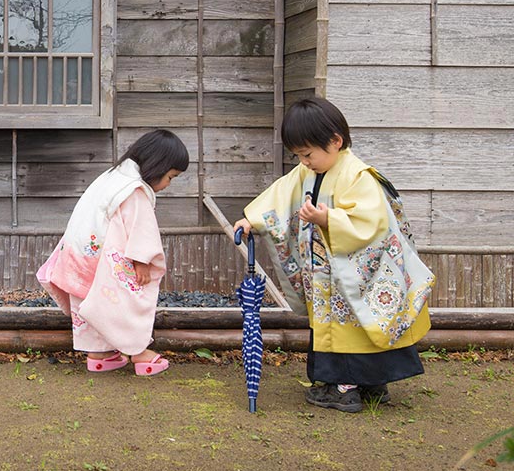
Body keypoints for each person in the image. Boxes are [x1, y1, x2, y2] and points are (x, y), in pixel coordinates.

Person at [234, 97, 435, 413]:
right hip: (325, 275)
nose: (304, 162)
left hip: (351, 277)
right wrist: (252, 219)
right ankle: (366, 384)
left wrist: (328, 219)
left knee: (353, 323)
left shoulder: (358, 175)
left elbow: (371, 221)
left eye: (308, 153)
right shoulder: (308, 172)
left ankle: (345, 386)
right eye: (298, 155)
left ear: (336, 142)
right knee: (338, 326)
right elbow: (282, 193)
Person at [37, 129, 188, 376]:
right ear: (157, 166)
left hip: (80, 256)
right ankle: (139, 352)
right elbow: (141, 229)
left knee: (91, 303)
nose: (168, 184)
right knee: (125, 300)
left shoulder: (110, 178)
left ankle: (99, 355)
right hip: (105, 261)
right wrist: (142, 262)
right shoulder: (134, 190)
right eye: (171, 176)